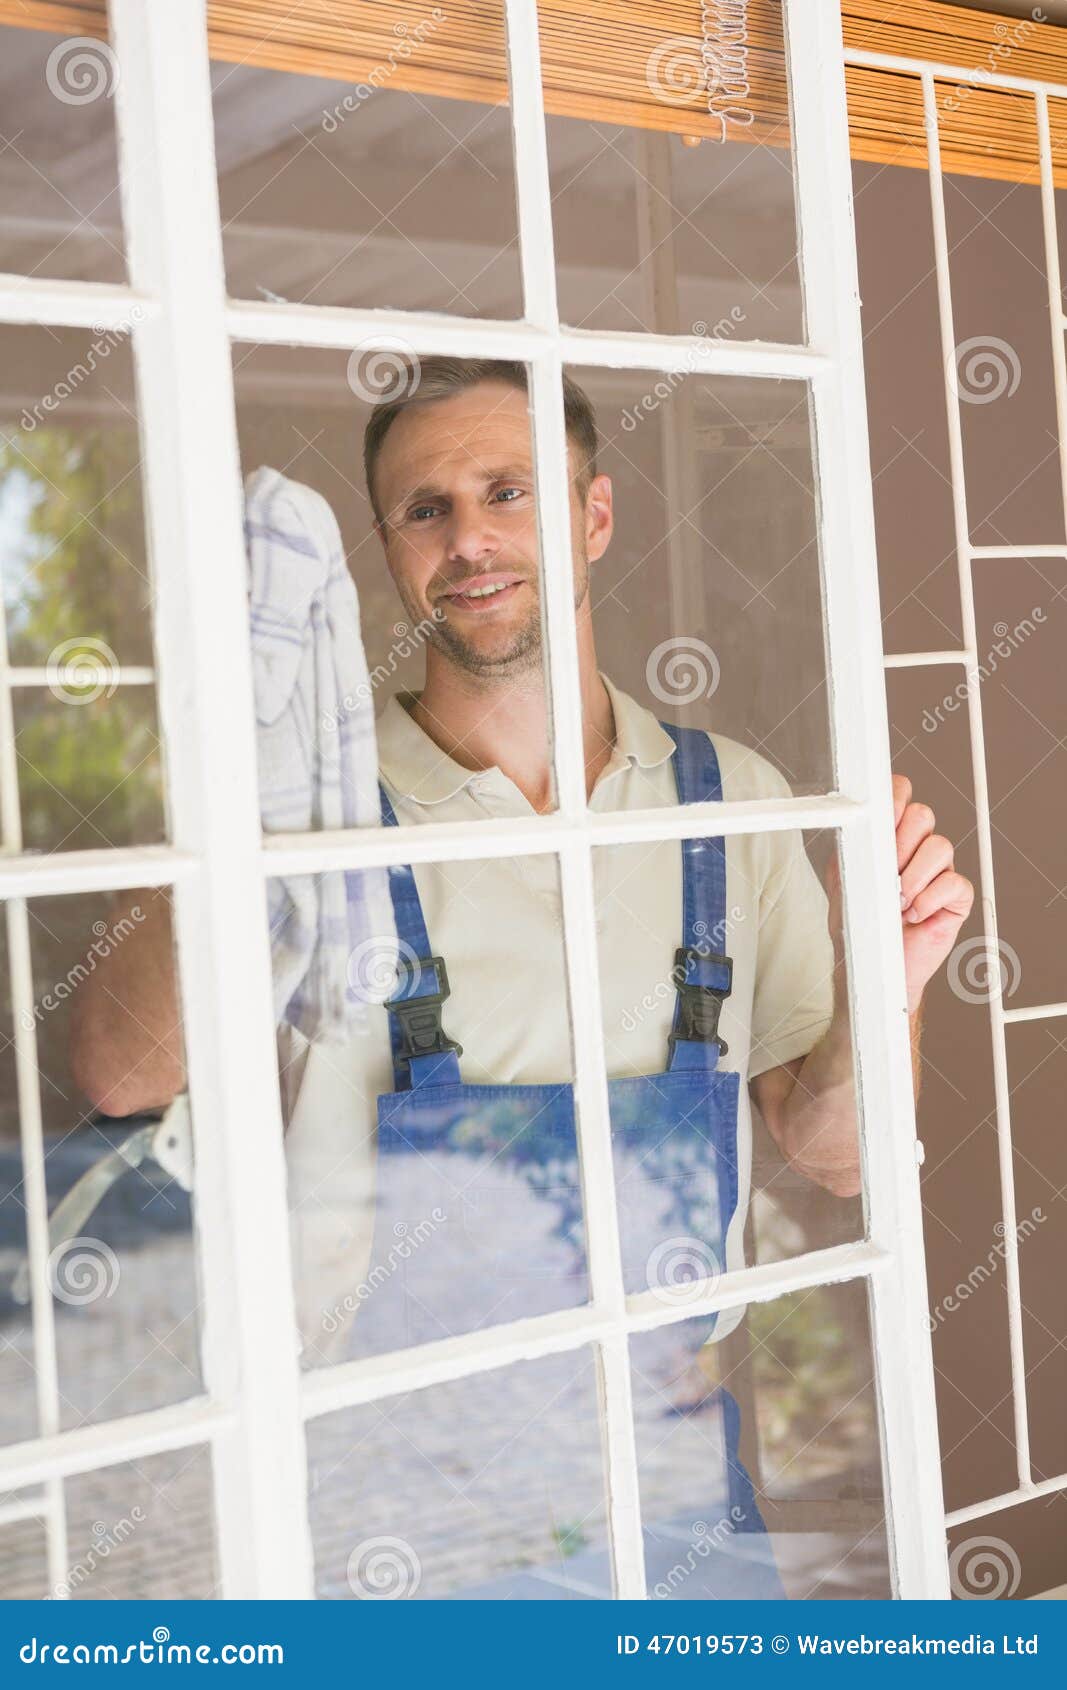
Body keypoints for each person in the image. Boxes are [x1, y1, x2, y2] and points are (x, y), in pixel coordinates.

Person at [70, 358, 973, 1591]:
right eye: (424, 509)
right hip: (392, 1508)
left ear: (593, 515)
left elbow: (839, 1154)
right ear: (389, 549)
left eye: (509, 491)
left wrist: (886, 980)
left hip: (673, 1484)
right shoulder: (315, 810)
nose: (469, 539)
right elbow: (116, 1073)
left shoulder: (729, 801)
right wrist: (233, 797)